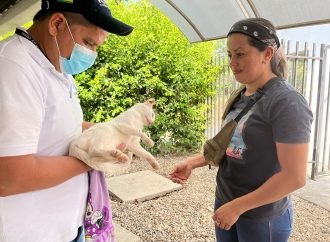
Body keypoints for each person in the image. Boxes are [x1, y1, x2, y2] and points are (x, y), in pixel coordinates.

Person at [170, 18, 313, 242]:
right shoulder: (243, 95)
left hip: (261, 216)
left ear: (267, 54)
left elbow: (294, 177)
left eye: (240, 54)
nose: (232, 62)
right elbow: (232, 144)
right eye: (229, 55)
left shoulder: (286, 102)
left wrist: (238, 207)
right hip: (228, 203)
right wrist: (191, 162)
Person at [0, 0, 132, 241]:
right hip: (29, 233)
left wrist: (107, 132)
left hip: (65, 227)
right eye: (89, 43)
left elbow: (57, 125)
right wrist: (90, 159)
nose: (92, 54)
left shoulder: (56, 66)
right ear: (57, 24)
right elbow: (10, 177)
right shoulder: (13, 67)